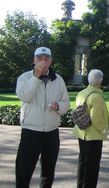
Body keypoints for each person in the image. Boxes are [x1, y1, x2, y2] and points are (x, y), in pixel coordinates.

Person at [15, 46, 70, 188]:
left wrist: (58, 106)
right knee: (24, 170)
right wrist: (35, 77)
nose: (43, 61)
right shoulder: (25, 78)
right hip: (31, 131)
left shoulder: (58, 80)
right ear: (34, 60)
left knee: (48, 170)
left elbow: (66, 103)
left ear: (51, 60)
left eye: (46, 58)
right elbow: (25, 97)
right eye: (39, 58)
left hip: (51, 132)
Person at [73, 69, 109, 188]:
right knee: (92, 167)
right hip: (93, 135)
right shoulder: (97, 97)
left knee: (82, 162)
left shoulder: (82, 93)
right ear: (100, 81)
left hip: (82, 132)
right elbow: (97, 119)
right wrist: (104, 129)